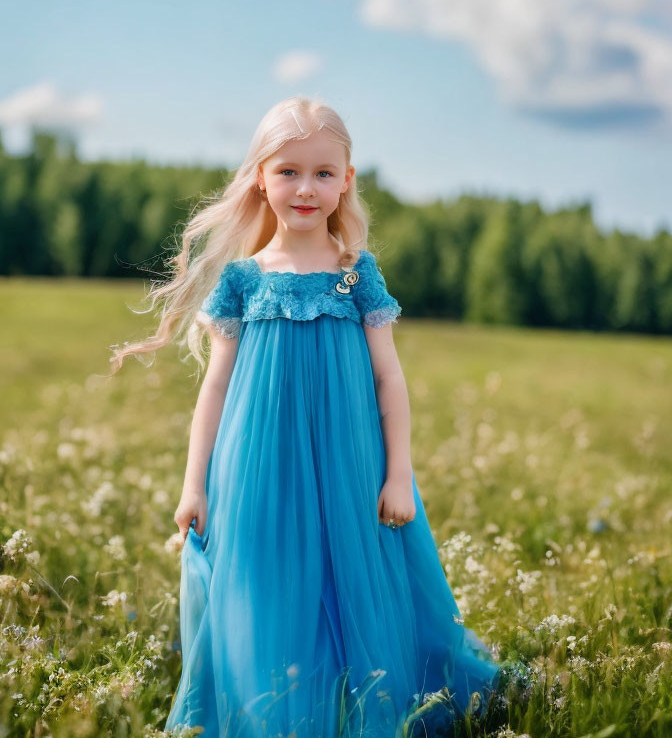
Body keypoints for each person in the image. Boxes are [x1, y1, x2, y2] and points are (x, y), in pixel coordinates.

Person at [110, 96, 503, 737]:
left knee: (358, 583)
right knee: (268, 585)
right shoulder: (243, 279)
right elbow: (214, 388)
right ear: (260, 178)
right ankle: (273, 711)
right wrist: (194, 482)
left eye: (324, 173)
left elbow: (389, 377)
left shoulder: (356, 276)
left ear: (347, 181)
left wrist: (398, 472)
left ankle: (362, 705)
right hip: (258, 462)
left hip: (352, 461)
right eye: (289, 170)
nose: (305, 188)